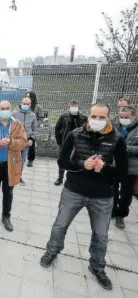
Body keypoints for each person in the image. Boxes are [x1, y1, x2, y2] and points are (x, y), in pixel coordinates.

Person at [40, 103, 128, 291]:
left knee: (101, 235)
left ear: (108, 118)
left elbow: (122, 172)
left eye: (101, 117)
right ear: (88, 116)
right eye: (93, 117)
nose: (96, 120)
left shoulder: (117, 139)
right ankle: (52, 251)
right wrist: (82, 163)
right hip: (74, 190)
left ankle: (97, 266)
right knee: (60, 224)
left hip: (102, 195)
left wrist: (104, 168)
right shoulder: (75, 135)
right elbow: (62, 161)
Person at [0, 100, 27, 231]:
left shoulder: (17, 124)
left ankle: (6, 216)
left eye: (7, 108)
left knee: (8, 192)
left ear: (11, 109)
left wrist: (11, 142)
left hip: (11, 165)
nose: (5, 110)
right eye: (2, 108)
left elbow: (23, 142)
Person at [112, 105, 138, 230]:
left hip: (132, 166)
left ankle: (120, 215)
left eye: (125, 117)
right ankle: (112, 210)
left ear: (133, 115)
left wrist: (127, 149)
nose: (122, 119)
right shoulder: (116, 125)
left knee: (126, 193)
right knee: (113, 188)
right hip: (115, 164)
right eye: (121, 116)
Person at [54, 100, 87, 186]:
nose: (73, 108)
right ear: (68, 107)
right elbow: (57, 129)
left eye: (75, 106)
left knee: (77, 161)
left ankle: (74, 178)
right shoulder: (64, 117)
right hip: (65, 143)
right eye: (72, 107)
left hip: (79, 145)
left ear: (79, 107)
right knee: (63, 159)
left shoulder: (83, 118)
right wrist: (59, 141)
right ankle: (60, 178)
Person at [11, 97, 37, 186]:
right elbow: (9, 127)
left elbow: (35, 129)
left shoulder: (33, 115)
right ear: (21, 103)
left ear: (30, 105)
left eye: (27, 104)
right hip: (15, 141)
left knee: (22, 160)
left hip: (26, 142)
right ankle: (11, 175)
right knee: (13, 159)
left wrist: (31, 139)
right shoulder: (14, 114)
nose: (25, 105)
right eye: (24, 103)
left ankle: (18, 176)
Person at [25, 91, 44, 167]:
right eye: (26, 96)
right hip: (23, 129)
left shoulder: (37, 107)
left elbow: (41, 118)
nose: (28, 98)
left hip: (32, 130)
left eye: (29, 97)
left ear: (33, 98)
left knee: (31, 145)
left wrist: (36, 125)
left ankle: (30, 160)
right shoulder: (23, 105)